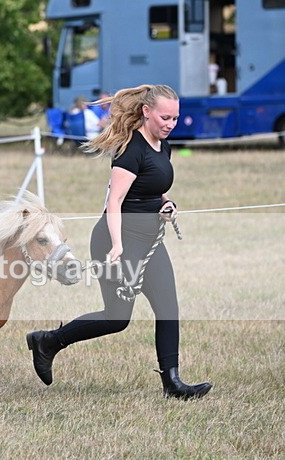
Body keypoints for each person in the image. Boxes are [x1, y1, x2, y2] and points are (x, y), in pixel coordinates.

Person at [26, 84, 213, 400]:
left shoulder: (162, 146)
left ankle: (173, 383)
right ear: (146, 112)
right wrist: (116, 245)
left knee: (168, 309)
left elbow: (154, 189)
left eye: (175, 118)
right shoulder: (130, 150)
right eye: (165, 117)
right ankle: (48, 341)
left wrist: (167, 205)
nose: (170, 124)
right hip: (117, 241)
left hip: (149, 240)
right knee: (117, 317)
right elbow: (114, 202)